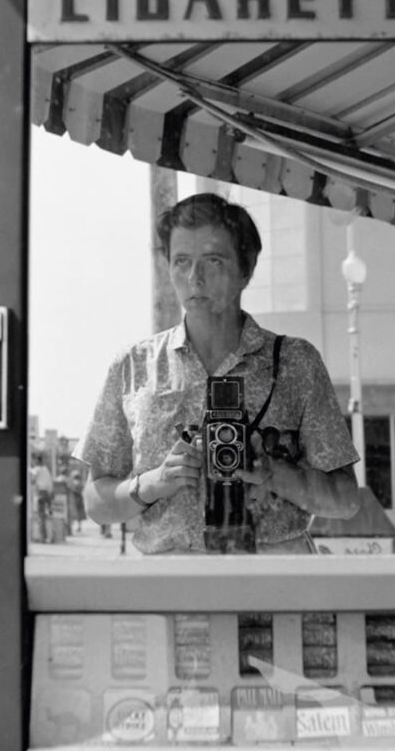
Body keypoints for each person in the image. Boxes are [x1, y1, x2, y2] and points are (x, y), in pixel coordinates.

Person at [78, 192, 360, 554]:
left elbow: (346, 500)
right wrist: (153, 483)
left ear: (246, 268)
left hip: (275, 576)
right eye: (181, 261)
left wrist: (274, 474)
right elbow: (95, 502)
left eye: (213, 261)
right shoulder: (133, 366)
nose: (195, 277)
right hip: (173, 581)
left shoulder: (294, 363)